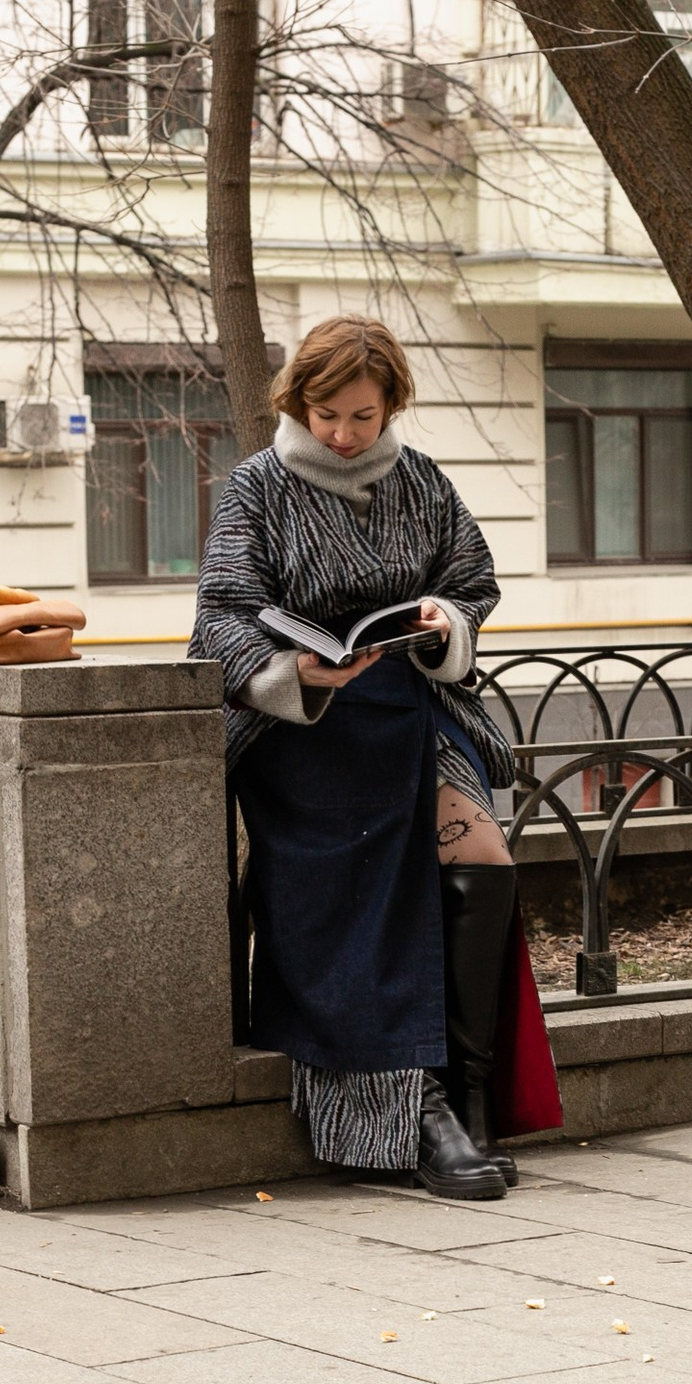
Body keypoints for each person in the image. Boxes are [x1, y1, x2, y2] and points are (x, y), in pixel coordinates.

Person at [190, 315, 557, 1199]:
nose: (345, 434)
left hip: (415, 707)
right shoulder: (257, 488)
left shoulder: (422, 479)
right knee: (361, 895)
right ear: (298, 402)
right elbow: (221, 615)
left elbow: (473, 582)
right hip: (304, 732)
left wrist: (443, 622)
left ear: (391, 404)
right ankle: (419, 1111)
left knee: (485, 859)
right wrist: (297, 671)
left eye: (363, 415)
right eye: (327, 415)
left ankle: (468, 1097)